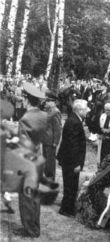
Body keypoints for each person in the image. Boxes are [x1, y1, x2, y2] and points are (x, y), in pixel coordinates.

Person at [18, 82, 47, 237]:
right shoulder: (43, 116)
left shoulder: (25, 119)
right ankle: (35, 226)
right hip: (39, 158)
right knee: (35, 196)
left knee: (26, 197)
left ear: (27, 99)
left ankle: (30, 229)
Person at [57, 99, 89, 217]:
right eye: (86, 109)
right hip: (71, 160)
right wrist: (76, 163)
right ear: (79, 110)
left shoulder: (74, 120)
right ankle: (66, 209)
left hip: (69, 159)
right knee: (71, 185)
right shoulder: (74, 122)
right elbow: (73, 145)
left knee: (71, 185)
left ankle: (68, 206)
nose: (88, 110)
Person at [43, 90, 62, 181]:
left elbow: (58, 128)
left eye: (48, 101)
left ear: (53, 102)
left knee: (50, 162)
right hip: (45, 140)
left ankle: (50, 180)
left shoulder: (55, 111)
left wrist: (55, 142)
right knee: (46, 160)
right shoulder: (47, 110)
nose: (46, 102)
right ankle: (47, 177)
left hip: (51, 142)